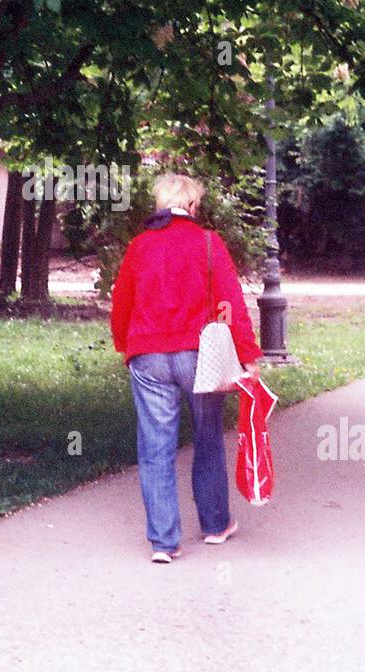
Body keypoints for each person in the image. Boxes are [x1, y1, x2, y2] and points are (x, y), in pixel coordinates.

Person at [110, 173, 263, 563]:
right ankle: (215, 526)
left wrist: (126, 346)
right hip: (200, 356)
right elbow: (230, 304)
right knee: (208, 437)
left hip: (148, 355)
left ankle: (164, 542)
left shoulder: (139, 246)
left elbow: (122, 305)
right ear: (193, 206)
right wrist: (247, 355)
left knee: (155, 448)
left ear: (160, 206)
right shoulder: (209, 243)